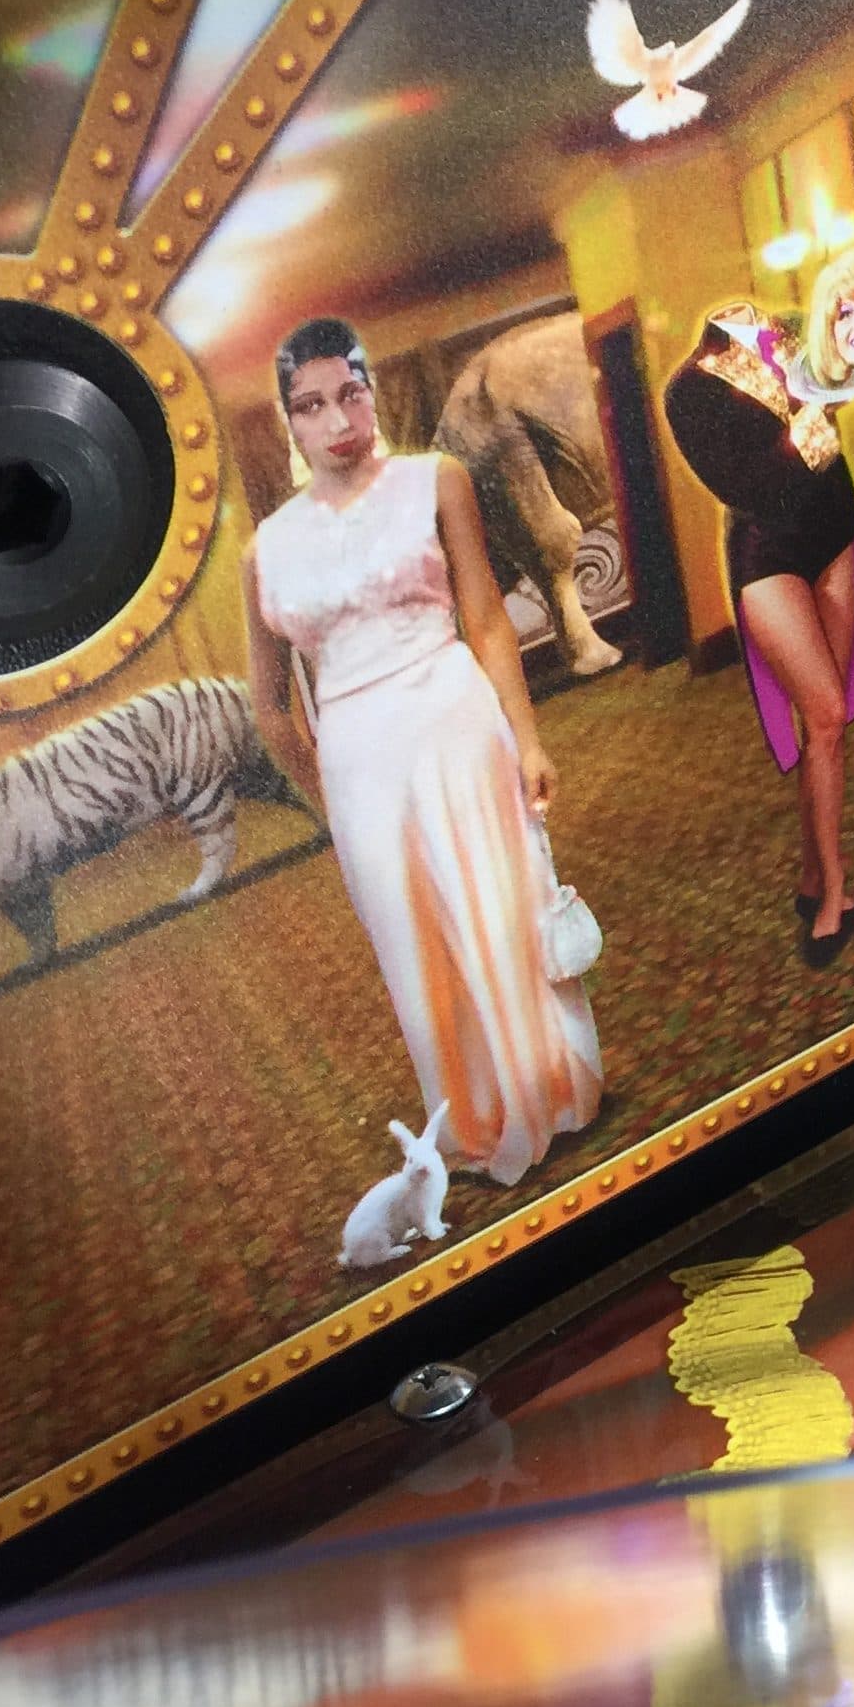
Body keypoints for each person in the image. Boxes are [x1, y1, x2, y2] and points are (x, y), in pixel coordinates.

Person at [244, 318, 602, 1189]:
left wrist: (527, 738)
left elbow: (485, 619)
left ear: (371, 391)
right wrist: (324, 799)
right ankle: (474, 1120)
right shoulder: (264, 550)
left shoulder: (435, 481)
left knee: (501, 909)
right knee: (414, 946)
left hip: (455, 720)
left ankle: (551, 1089)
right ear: (289, 420)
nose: (338, 420)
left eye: (351, 393)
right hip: (357, 763)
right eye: (311, 405)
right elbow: (270, 707)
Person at [662, 249, 854, 966]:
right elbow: (740, 484)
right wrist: (813, 420)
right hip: (766, 550)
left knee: (826, 728)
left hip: (834, 527)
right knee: (827, 713)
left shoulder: (795, 326)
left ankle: (814, 875)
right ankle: (835, 894)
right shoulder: (687, 387)